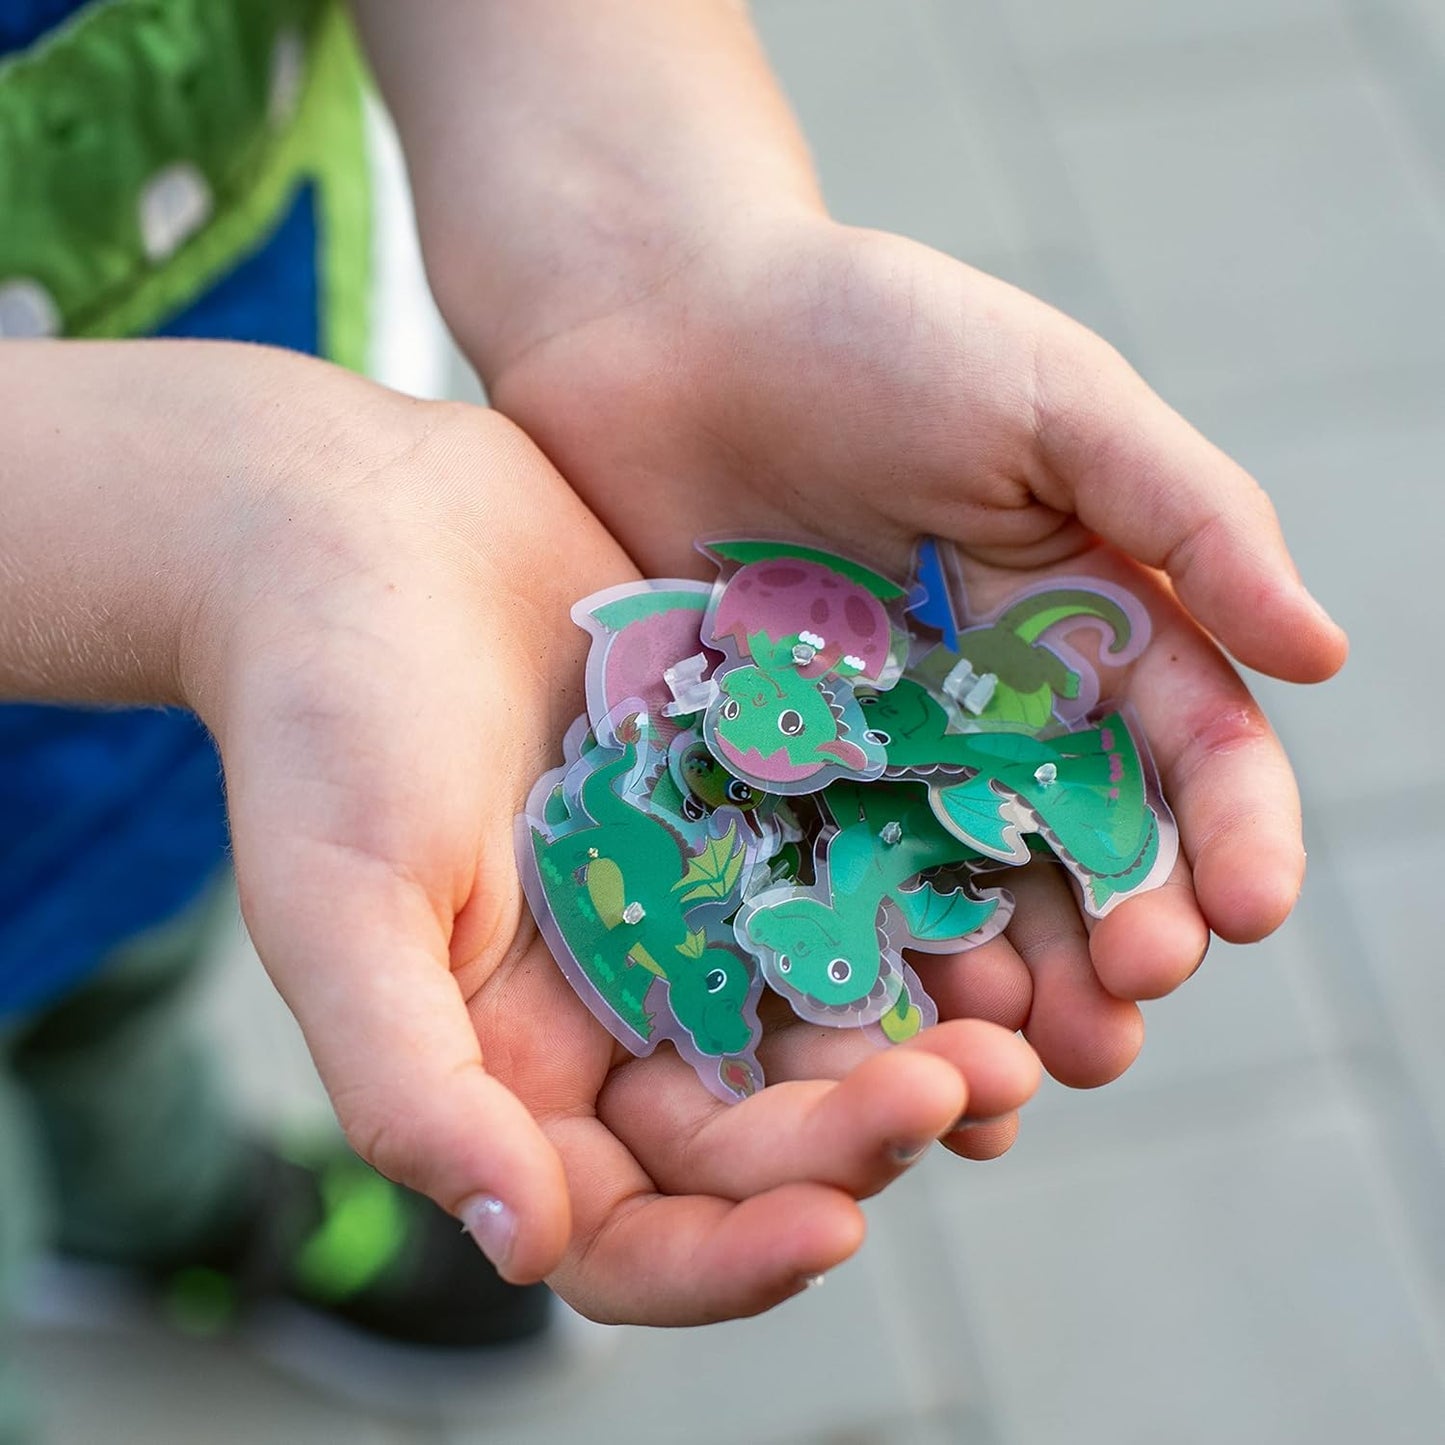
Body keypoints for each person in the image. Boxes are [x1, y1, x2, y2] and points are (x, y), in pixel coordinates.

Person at [0, 0, 1347, 1431]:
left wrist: (664, 254)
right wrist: (227, 522)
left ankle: (161, 1211)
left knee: (118, 1005)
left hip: (181, 764)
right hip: (233, 632)